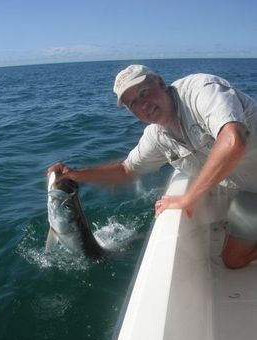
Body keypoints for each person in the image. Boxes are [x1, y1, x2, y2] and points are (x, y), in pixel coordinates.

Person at [48, 64, 257, 269]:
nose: (143, 105)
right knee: (233, 260)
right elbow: (126, 170)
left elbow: (232, 141)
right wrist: (77, 175)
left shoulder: (200, 91)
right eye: (133, 103)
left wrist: (188, 198)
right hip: (251, 189)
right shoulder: (157, 135)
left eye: (145, 93)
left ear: (160, 82)